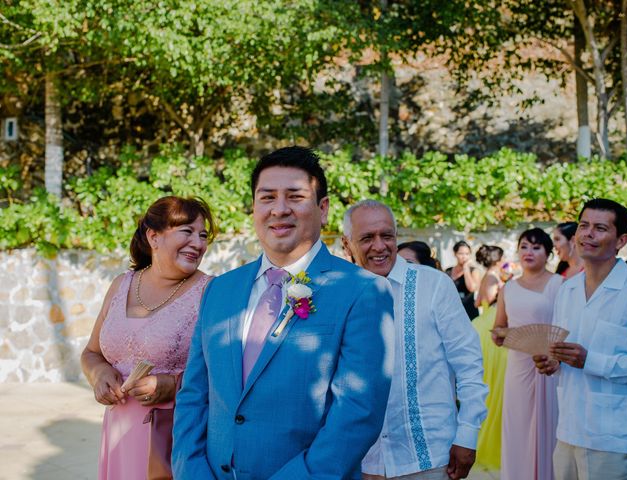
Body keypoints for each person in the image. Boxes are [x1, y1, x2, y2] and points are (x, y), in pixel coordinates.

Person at [172, 147, 394, 480]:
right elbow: (194, 394)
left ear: (323, 209)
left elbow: (357, 415)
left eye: (295, 196)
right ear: (253, 209)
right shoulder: (220, 291)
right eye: (267, 197)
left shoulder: (363, 292)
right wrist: (191, 472)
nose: (279, 209)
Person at [342, 200, 488, 480]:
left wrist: (468, 433)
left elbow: (468, 363)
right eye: (367, 238)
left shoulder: (434, 285)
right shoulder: (338, 292)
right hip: (360, 459)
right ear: (347, 244)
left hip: (429, 457)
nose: (380, 246)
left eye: (387, 236)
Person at [80, 196, 216, 480]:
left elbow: (224, 373)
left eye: (202, 235)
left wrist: (173, 384)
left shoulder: (210, 292)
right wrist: (100, 374)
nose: (198, 243)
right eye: (187, 231)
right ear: (153, 236)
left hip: (173, 435)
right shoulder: (122, 284)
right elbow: (91, 353)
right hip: (118, 432)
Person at [535, 198, 627, 480]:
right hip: (568, 430)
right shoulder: (566, 290)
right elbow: (561, 353)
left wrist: (591, 360)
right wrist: (552, 362)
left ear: (621, 240)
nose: (588, 234)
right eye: (583, 226)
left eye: (600, 228)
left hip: (615, 438)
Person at [492, 228, 563, 480]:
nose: (529, 252)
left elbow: (567, 328)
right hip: (518, 367)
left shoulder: (559, 284)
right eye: (524, 246)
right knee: (518, 427)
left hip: (551, 366)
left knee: (550, 427)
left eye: (536, 247)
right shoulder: (508, 288)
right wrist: (499, 335)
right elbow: (499, 326)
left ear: (548, 253)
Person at [470, 243, 508, 471]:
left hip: (481, 323)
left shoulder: (487, 275)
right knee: (493, 382)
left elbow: (476, 301)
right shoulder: (493, 278)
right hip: (490, 323)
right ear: (497, 259)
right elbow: (485, 300)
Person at [446, 241, 481, 319]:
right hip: (452, 313)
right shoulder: (448, 271)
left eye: (467, 254)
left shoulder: (474, 271)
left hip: (469, 313)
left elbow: (472, 288)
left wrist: (466, 268)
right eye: (461, 254)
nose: (464, 257)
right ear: (455, 254)